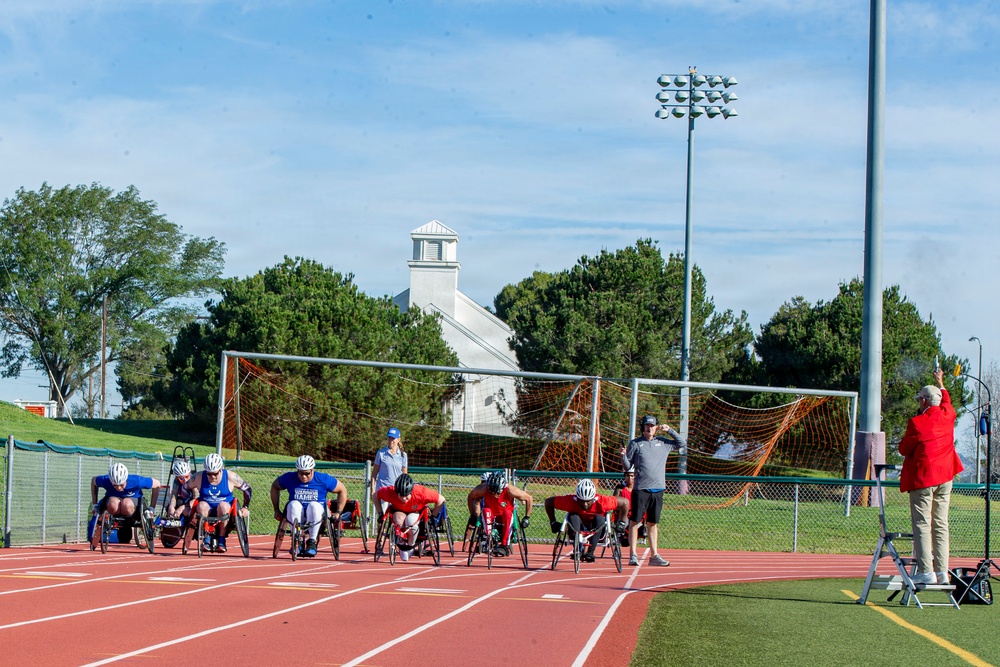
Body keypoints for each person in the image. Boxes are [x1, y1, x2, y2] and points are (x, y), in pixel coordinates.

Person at [899, 369, 964, 585]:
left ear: (925, 401)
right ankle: (942, 571)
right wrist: (941, 382)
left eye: (920, 400)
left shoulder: (918, 423)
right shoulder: (948, 416)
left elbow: (903, 449)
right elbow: (946, 401)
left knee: (923, 525)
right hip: (946, 476)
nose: (919, 403)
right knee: (941, 524)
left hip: (924, 478)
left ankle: (926, 571)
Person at [620, 414, 685, 567]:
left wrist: (669, 430)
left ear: (656, 427)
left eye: (652, 426)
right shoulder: (635, 443)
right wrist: (622, 456)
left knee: (652, 523)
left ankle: (654, 555)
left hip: (658, 489)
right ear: (642, 427)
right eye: (646, 426)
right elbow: (627, 466)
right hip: (640, 489)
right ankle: (633, 555)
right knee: (635, 521)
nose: (649, 428)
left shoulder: (663, 443)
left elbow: (682, 443)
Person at [270, 454, 348, 557]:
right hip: (297, 513)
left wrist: (338, 512)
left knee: (314, 505)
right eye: (301, 473)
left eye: (307, 473)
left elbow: (342, 490)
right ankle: (297, 540)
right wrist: (276, 509)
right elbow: (275, 486)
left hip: (317, 514)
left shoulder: (323, 479)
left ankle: (312, 541)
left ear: (312, 470)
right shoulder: (289, 477)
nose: (303, 477)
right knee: (293, 504)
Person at [544, 479, 628, 563]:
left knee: (599, 518)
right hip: (576, 528)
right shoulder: (571, 501)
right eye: (581, 501)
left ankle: (590, 552)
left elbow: (625, 503)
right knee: (573, 516)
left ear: (593, 498)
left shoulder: (602, 501)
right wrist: (553, 522)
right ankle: (578, 549)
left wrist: (621, 523)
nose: (585, 504)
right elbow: (548, 502)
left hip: (597, 530)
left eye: (588, 501)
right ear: (577, 498)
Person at [184, 453, 252, 553]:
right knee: (201, 505)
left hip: (225, 510)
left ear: (220, 469)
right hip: (206, 508)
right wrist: (186, 505)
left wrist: (245, 507)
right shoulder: (199, 477)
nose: (212, 476)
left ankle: (221, 538)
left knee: (223, 505)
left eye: (215, 473)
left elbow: (248, 490)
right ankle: (206, 536)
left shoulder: (230, 476)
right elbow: (184, 488)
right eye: (209, 474)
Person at [89, 463, 163, 549]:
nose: (119, 488)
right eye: (115, 485)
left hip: (133, 504)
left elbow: (157, 484)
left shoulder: (136, 481)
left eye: (121, 485)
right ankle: (105, 522)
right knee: (113, 503)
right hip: (113, 503)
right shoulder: (106, 480)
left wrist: (152, 507)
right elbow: (93, 481)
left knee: (126, 503)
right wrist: (95, 503)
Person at [375, 473, 445, 562]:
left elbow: (441, 499)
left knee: (410, 521)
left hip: (416, 512)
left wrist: (433, 517)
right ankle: (401, 543)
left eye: (406, 495)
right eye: (401, 495)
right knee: (398, 520)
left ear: (411, 491)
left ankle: (411, 545)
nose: (404, 499)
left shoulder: (421, 492)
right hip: (398, 510)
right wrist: (380, 513)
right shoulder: (390, 492)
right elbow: (375, 496)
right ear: (396, 492)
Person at [466, 470, 533, 556]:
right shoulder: (483, 488)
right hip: (490, 515)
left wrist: (527, 517)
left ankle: (504, 546)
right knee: (486, 511)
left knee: (508, 513)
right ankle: (488, 538)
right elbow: (470, 496)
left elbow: (529, 498)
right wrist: (472, 514)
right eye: (492, 492)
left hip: (504, 517)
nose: (494, 495)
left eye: (497, 492)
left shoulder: (510, 490)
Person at [372, 427, 408, 515]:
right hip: (383, 490)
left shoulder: (403, 455)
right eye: (389, 438)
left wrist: (404, 491)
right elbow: (374, 473)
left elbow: (405, 475)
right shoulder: (381, 453)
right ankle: (381, 529)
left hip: (396, 491)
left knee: (397, 517)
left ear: (398, 440)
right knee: (381, 517)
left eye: (393, 438)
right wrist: (373, 490)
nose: (391, 440)